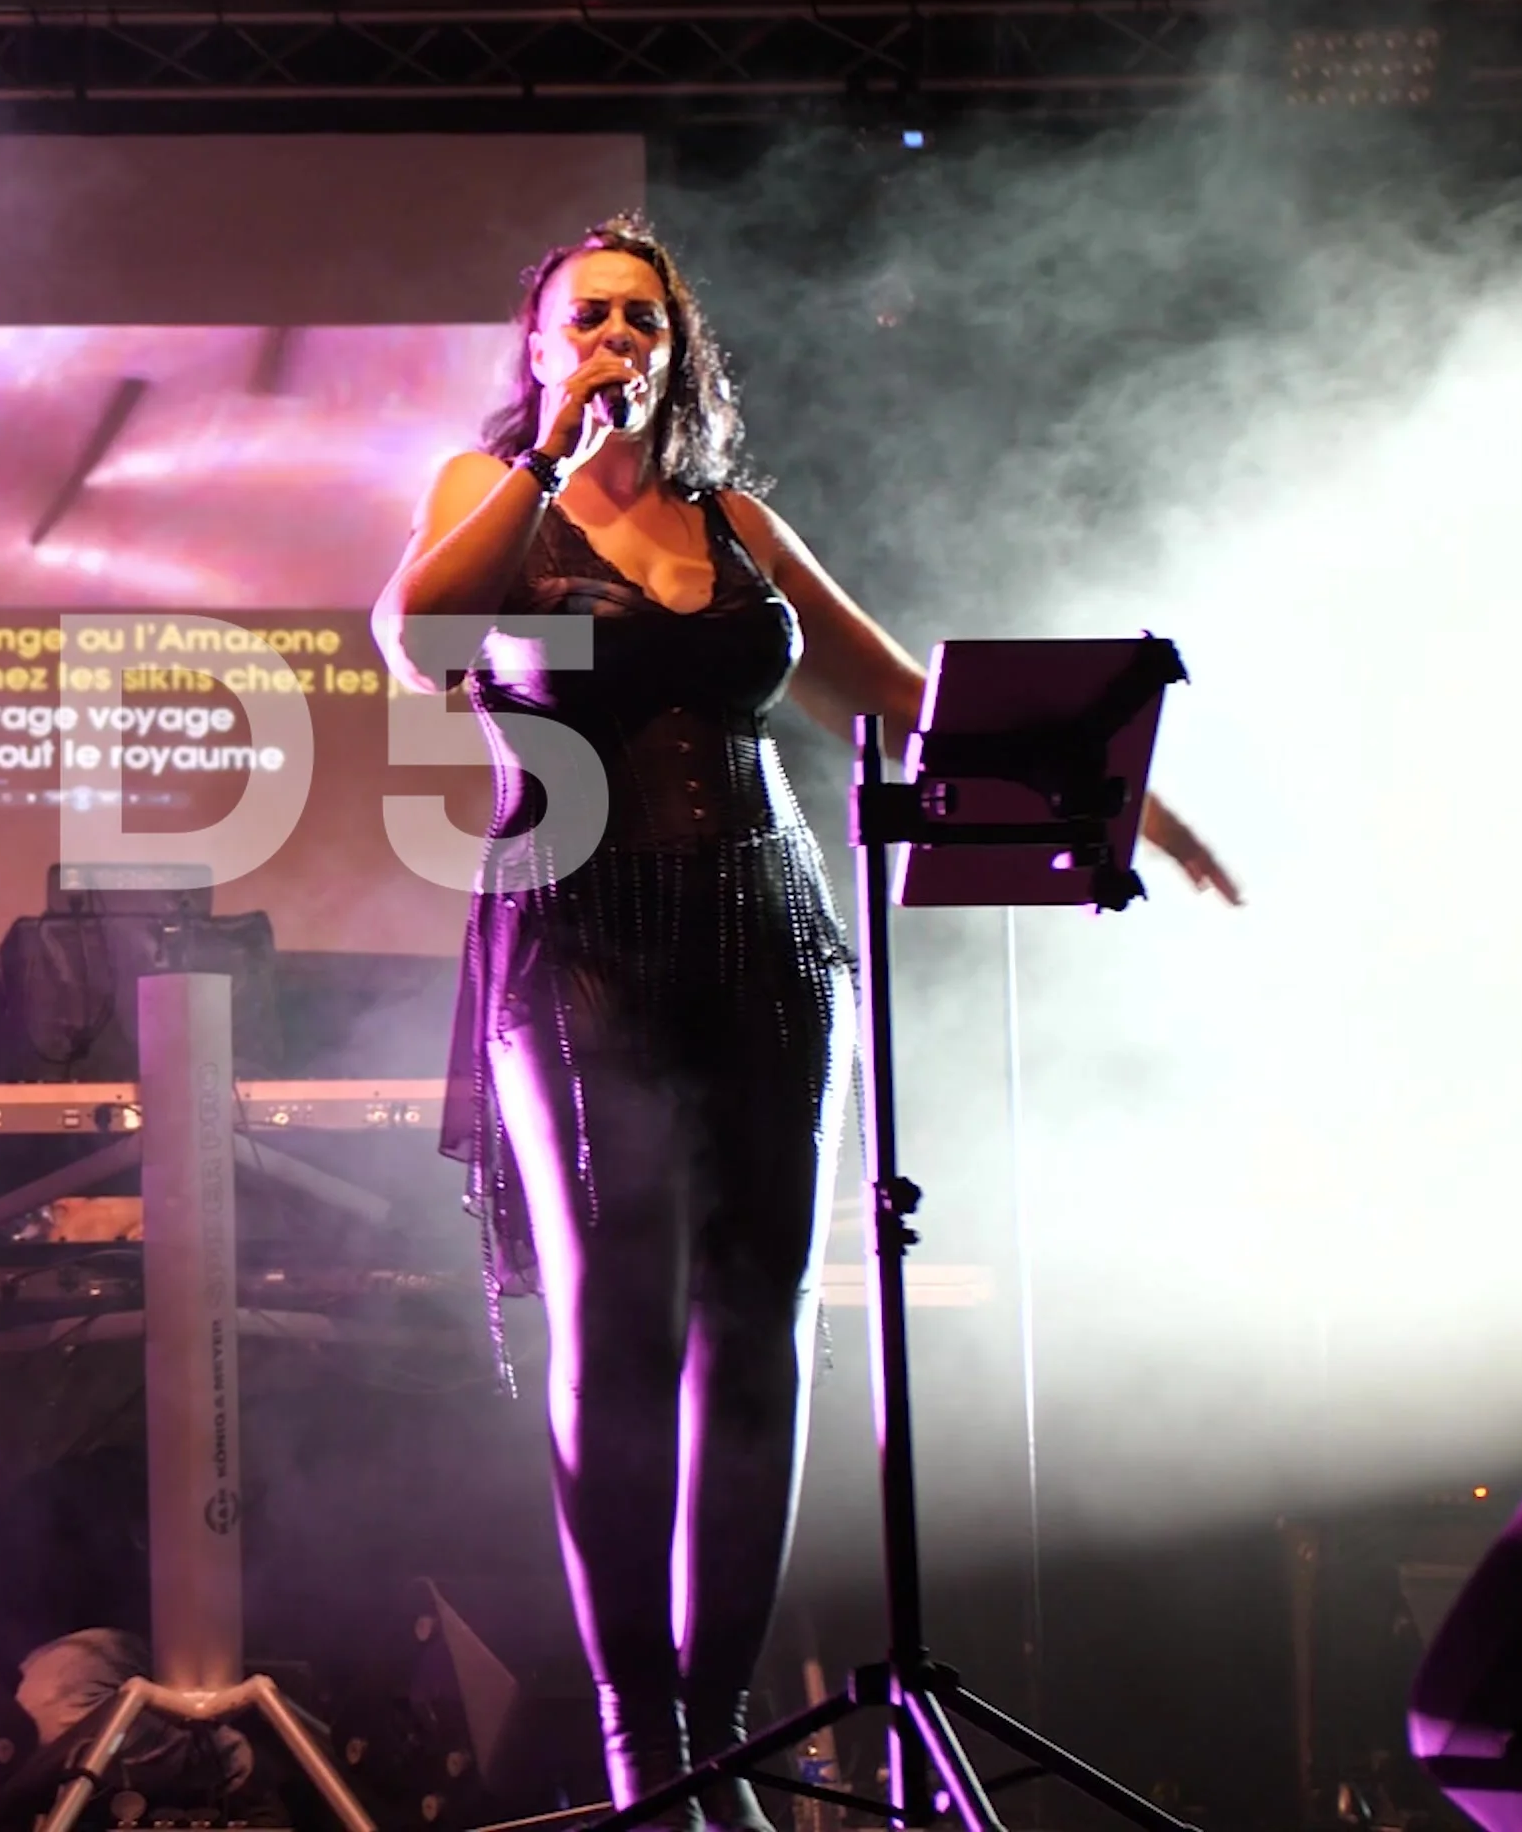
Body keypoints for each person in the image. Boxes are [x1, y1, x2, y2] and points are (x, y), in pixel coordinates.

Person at [371, 215, 1237, 1826]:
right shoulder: (492, 510)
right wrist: (553, 467)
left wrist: (1139, 810)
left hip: (768, 938)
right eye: (588, 320)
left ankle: (722, 1737)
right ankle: (645, 1746)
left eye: (645, 317)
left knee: (759, 1336)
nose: (618, 338)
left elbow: (902, 696)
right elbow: (413, 640)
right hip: (582, 941)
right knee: (618, 1332)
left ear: (679, 346)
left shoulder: (741, 524)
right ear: (541, 351)